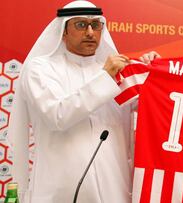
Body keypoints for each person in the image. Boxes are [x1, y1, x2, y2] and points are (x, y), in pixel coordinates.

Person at [8, 1, 151, 202]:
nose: (90, 32)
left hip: (114, 190)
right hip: (60, 192)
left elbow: (156, 110)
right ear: (63, 31)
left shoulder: (119, 72)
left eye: (96, 25)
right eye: (81, 25)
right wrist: (105, 77)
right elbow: (57, 116)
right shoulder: (40, 69)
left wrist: (154, 75)